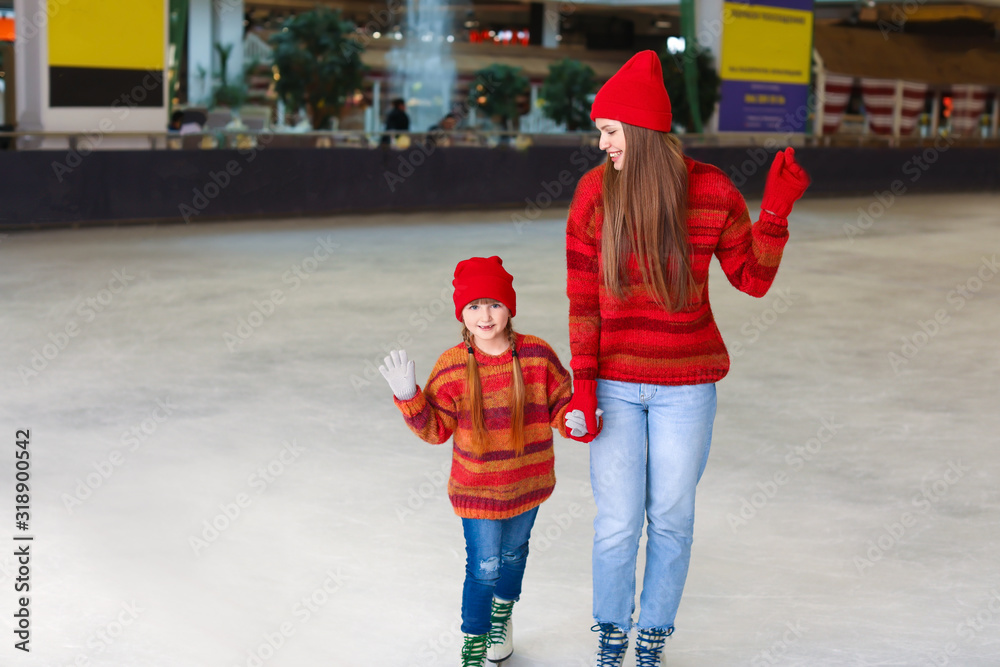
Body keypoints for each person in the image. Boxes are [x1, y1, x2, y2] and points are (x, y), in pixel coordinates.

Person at [562, 51, 810, 666]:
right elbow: (583, 302)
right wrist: (584, 389)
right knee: (618, 523)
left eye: (611, 131)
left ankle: (654, 635)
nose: (602, 143)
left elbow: (751, 280)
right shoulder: (595, 195)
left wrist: (773, 215)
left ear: (641, 131)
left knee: (670, 518)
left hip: (686, 387)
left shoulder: (711, 191)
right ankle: (612, 630)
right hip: (615, 386)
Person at [379, 256, 575, 667]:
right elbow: (436, 430)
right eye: (473, 307)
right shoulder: (452, 366)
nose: (485, 316)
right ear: (461, 314)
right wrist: (409, 396)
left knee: (515, 554)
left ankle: (501, 618)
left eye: (494, 304)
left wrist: (575, 419)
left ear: (509, 308)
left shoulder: (537, 356)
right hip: (477, 491)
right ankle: (473, 643)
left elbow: (561, 406)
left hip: (528, 484)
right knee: (484, 566)